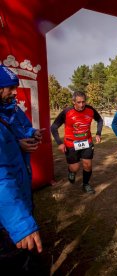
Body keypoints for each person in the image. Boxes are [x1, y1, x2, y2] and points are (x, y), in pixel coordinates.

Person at [0, 65, 45, 273]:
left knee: (28, 254)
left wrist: (33, 133)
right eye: (10, 87)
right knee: (12, 255)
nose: (15, 92)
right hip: (7, 207)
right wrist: (21, 225)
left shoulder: (12, 108)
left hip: (22, 188)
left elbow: (22, 128)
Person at [51, 91, 103, 194]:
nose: (82, 105)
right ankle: (71, 172)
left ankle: (86, 184)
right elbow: (53, 127)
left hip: (87, 142)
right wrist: (60, 143)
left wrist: (98, 133)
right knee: (75, 167)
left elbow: (100, 120)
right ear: (73, 101)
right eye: (78, 102)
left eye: (83, 102)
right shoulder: (67, 112)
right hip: (71, 144)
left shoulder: (90, 110)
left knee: (87, 165)